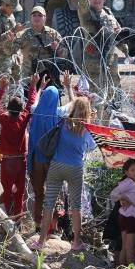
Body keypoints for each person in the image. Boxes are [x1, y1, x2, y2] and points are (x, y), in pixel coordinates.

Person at [32, 97, 97, 251]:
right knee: (76, 206)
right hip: (75, 168)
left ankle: (41, 241)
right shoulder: (87, 129)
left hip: (56, 165)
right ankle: (76, 242)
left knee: (49, 204)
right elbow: (91, 147)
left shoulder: (63, 122)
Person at [27, 72, 75, 233]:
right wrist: (68, 87)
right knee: (53, 194)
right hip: (52, 160)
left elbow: (34, 100)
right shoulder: (59, 112)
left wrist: (38, 87)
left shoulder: (35, 110)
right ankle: (53, 227)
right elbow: (74, 105)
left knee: (39, 194)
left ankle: (37, 225)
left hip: (36, 160)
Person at [0, 73, 39, 219]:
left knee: (6, 190)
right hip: (20, 161)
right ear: (20, 109)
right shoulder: (23, 118)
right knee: (19, 192)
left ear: (8, 109)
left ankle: (7, 216)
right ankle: (17, 218)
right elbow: (31, 104)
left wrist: (2, 88)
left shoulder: (4, 118)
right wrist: (33, 86)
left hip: (7, 161)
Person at [76, 0, 124, 99]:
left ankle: (112, 112)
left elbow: (116, 34)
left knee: (113, 90)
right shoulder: (87, 15)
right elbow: (83, 6)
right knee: (94, 93)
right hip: (93, 61)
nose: (97, 0)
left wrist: (125, 49)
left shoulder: (109, 14)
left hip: (110, 61)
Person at [9, 6, 64, 83]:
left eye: (40, 15)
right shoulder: (23, 35)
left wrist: (58, 49)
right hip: (29, 78)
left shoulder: (53, 34)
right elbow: (10, 51)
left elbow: (64, 56)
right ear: (31, 18)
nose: (36, 18)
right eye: (34, 15)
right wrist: (9, 42)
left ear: (45, 18)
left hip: (49, 77)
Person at [109, 158, 135, 266]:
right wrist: (124, 198)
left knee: (125, 246)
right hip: (131, 217)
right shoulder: (128, 182)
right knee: (130, 247)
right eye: (132, 170)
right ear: (126, 172)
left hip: (125, 216)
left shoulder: (130, 183)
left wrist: (123, 198)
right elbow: (113, 194)